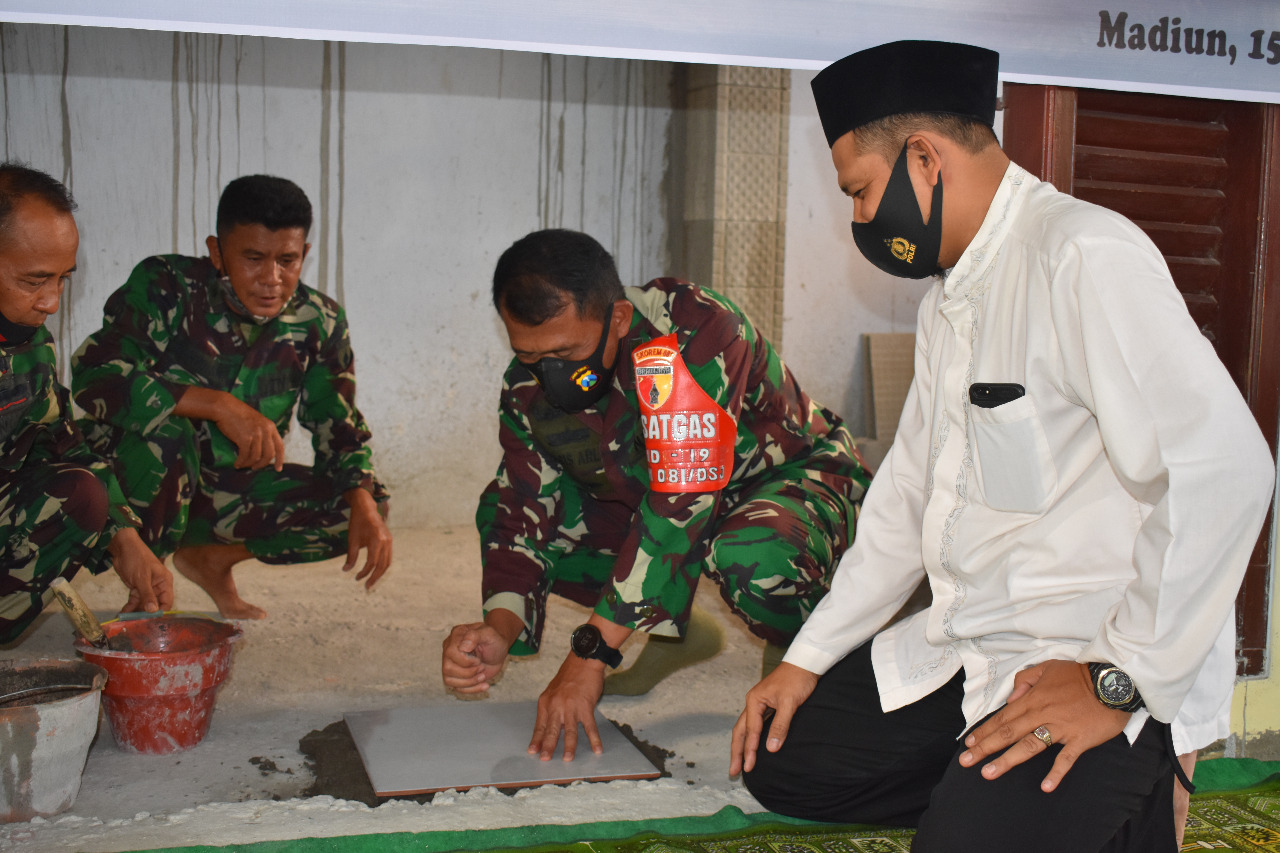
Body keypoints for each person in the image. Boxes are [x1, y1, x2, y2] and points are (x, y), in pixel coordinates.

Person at [728, 40, 1275, 852]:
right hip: (972, 644)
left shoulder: (1081, 255)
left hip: (1086, 655)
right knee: (783, 758)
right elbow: (908, 494)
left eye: (860, 191)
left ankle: (1128, 766)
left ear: (924, 158)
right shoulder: (949, 298)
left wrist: (1117, 679)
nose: (860, 220)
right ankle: (1006, 799)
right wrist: (806, 657)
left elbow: (1226, 467)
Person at [442, 229, 870, 761]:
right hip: (668, 500)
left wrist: (588, 657)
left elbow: (678, 505)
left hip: (786, 481)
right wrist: (499, 628)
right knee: (504, 504)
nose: (551, 375)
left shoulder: (697, 331)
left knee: (752, 559)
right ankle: (677, 632)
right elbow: (521, 510)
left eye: (567, 352)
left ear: (619, 318)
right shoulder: (527, 387)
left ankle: (799, 649)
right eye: (530, 356)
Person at [71, 174, 392, 620]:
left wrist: (362, 496)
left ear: (304, 254)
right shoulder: (168, 286)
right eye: (253, 258)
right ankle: (147, 588)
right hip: (137, 477)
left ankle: (210, 560)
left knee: (361, 504)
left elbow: (336, 423)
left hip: (223, 490)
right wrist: (218, 405)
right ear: (217, 251)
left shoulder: (319, 319)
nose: (272, 279)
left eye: (287, 260)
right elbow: (95, 375)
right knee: (167, 432)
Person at [0, 161, 173, 642]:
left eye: (62, 279)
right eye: (34, 281)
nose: (52, 302)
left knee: (86, 491)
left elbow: (59, 440)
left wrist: (124, 539)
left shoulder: (29, 343)